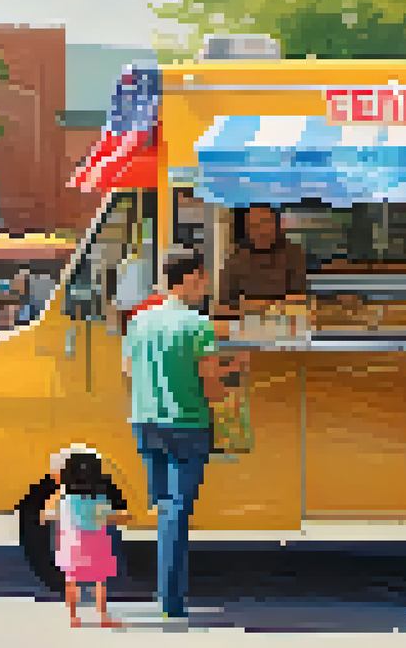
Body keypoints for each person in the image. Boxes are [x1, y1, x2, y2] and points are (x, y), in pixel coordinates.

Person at [122, 256, 239, 619]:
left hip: (145, 422)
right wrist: (231, 381)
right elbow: (211, 386)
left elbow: (127, 372)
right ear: (186, 279)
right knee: (177, 510)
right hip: (187, 424)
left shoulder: (138, 321)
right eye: (202, 279)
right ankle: (170, 601)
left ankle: (164, 593)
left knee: (164, 507)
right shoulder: (199, 325)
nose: (205, 286)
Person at [41, 446, 128, 628]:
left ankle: (73, 616)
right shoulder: (101, 499)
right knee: (100, 581)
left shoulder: (63, 498)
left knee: (71, 580)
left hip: (70, 546)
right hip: (98, 546)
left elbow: (45, 515)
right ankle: (102, 615)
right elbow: (118, 517)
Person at [213, 205, 308, 320]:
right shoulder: (235, 258)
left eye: (265, 223)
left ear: (276, 225)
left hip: (285, 322)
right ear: (247, 229)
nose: (261, 231)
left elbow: (299, 300)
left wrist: (254, 306)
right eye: (254, 226)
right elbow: (223, 304)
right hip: (246, 324)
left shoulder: (294, 253)